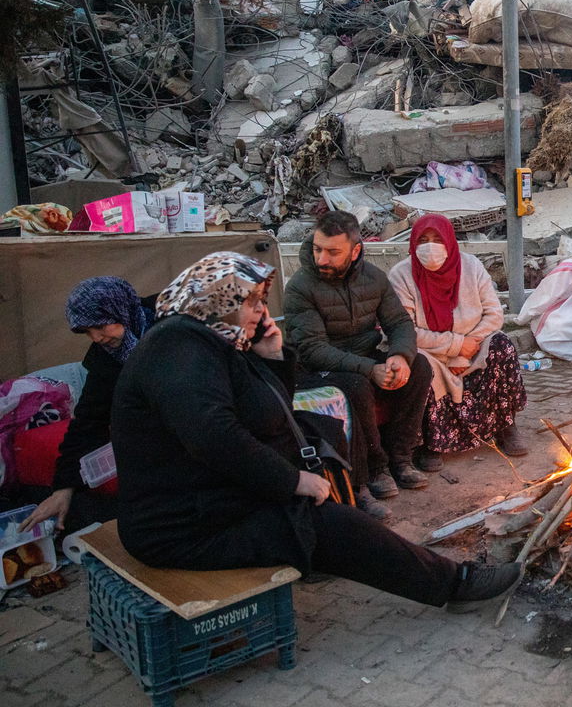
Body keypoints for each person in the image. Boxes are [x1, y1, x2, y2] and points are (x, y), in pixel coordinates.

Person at [110, 252, 520, 611]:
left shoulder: (213, 341)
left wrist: (272, 359)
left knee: (321, 456)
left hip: (210, 497)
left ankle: (336, 546)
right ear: (217, 301)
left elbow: (268, 415)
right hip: (182, 526)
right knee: (330, 524)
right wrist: (291, 482)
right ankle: (454, 583)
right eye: (250, 302)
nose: (260, 313)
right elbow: (214, 435)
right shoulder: (178, 349)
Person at [285, 211, 434, 509]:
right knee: (355, 385)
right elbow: (313, 349)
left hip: (364, 358)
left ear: (355, 251)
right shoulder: (300, 287)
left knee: (420, 366)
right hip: (317, 369)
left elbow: (400, 324)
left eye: (332, 252)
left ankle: (400, 458)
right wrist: (370, 369)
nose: (322, 259)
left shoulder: (374, 278)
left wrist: (399, 357)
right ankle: (369, 473)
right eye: (317, 249)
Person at [19, 277, 156, 533]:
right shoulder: (106, 358)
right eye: (87, 332)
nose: (97, 338)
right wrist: (63, 488)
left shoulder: (172, 325)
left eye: (100, 326)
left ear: (121, 311)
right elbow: (88, 422)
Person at [388, 215, 528, 465]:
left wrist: (466, 348)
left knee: (502, 346)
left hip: (473, 346)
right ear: (413, 243)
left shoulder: (471, 266)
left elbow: (494, 313)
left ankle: (506, 426)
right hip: (430, 351)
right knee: (419, 365)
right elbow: (405, 330)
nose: (430, 247)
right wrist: (453, 347)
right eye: (423, 240)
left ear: (450, 241)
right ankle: (433, 443)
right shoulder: (401, 275)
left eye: (437, 240)